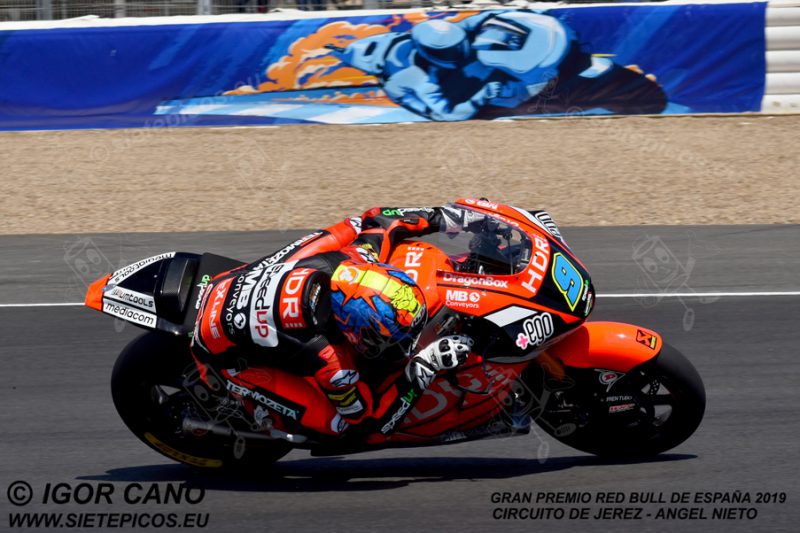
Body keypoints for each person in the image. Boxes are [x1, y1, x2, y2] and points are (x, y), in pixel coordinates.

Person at [191, 205, 482, 436]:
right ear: (354, 332)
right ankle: (250, 404)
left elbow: (380, 218)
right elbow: (366, 419)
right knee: (340, 427)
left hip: (232, 283)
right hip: (216, 351)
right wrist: (426, 364)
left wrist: (444, 217)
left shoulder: (356, 256)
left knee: (354, 226)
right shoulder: (329, 360)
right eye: (392, 338)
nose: (405, 344)